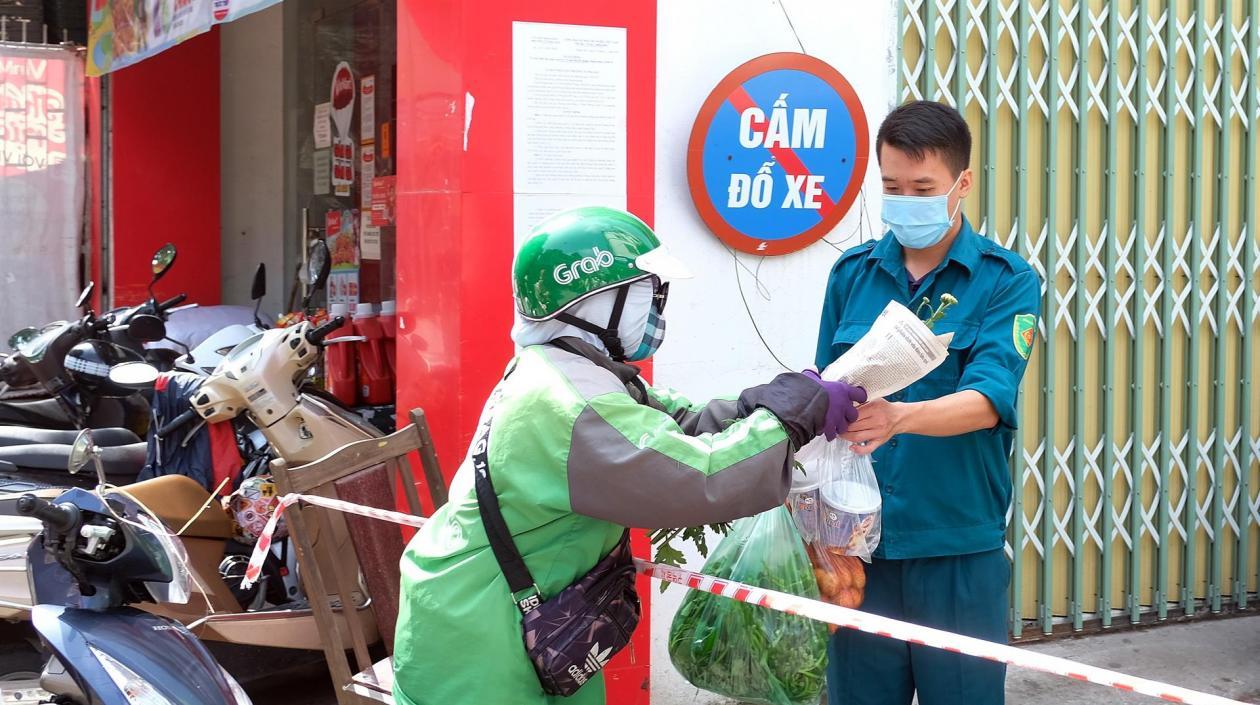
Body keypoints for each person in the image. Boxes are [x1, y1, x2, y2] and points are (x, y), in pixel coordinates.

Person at [393, 206, 865, 705]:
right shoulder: (569, 403)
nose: (659, 312)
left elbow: (675, 424)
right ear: (597, 302)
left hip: (525, 618)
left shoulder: (572, 370)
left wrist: (764, 404)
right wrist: (788, 419)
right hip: (481, 643)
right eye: (650, 295)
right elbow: (695, 478)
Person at [815, 101, 1042, 705]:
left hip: (956, 550)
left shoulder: (1006, 280)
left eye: (923, 187)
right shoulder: (851, 275)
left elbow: (990, 399)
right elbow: (823, 399)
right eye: (892, 186)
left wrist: (899, 418)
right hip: (860, 546)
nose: (905, 199)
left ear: (961, 183)